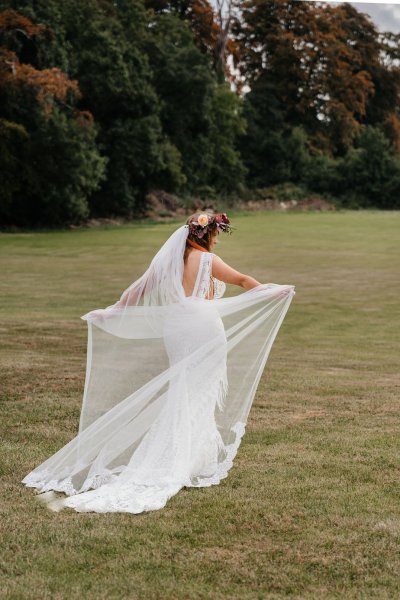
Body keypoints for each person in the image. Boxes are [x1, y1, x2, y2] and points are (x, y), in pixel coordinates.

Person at [21, 212, 295, 513]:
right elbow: (243, 281)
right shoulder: (206, 261)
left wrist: (112, 311)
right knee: (199, 393)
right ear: (207, 235)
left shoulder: (167, 263)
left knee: (183, 391)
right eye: (216, 235)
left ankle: (185, 457)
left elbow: (137, 290)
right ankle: (180, 460)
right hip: (203, 328)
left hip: (175, 329)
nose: (217, 240)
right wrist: (274, 291)